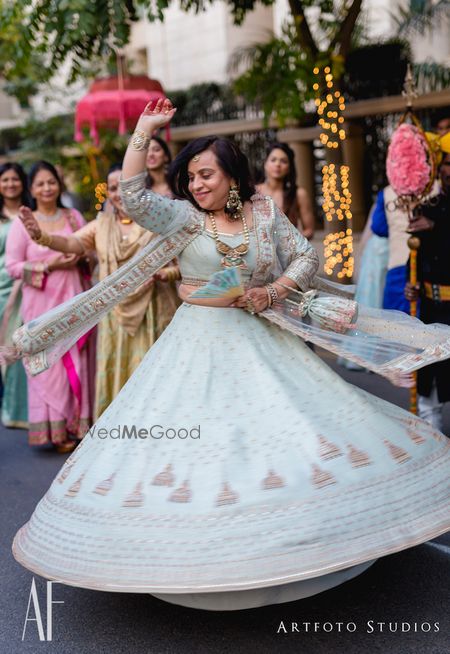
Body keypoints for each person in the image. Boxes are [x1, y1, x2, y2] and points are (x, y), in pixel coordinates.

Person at [10, 100, 450, 611]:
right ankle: (204, 553)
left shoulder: (264, 213)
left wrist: (276, 288)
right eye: (190, 177)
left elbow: (306, 255)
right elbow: (131, 195)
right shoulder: (182, 218)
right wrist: (143, 130)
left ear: (232, 177)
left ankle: (305, 538)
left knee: (293, 429)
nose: (196, 185)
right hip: (196, 342)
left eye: (206, 175)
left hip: (265, 334)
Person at [19, 163, 180, 419]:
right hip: (114, 314)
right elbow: (74, 242)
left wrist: (163, 274)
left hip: (154, 311)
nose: (119, 193)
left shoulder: (159, 221)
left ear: (142, 187)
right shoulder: (101, 224)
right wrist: (43, 237)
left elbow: (183, 266)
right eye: (114, 188)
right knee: (120, 374)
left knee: (154, 374)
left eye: (126, 186)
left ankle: (160, 429)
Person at [6, 161, 94, 451]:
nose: (47, 188)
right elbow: (14, 267)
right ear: (31, 189)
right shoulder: (23, 223)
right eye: (40, 184)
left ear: (59, 184)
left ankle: (78, 425)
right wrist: (49, 263)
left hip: (73, 299)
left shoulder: (73, 217)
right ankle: (56, 432)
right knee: (50, 369)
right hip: (41, 306)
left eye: (51, 182)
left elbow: (90, 250)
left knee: (78, 362)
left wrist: (82, 259)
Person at [405, 135, 450, 431]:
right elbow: (418, 252)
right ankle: (433, 455)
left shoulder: (435, 216)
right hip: (431, 309)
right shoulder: (429, 206)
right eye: (446, 163)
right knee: (430, 384)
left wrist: (438, 227)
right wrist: (415, 282)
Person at [0, 163, 29, 428]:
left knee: (17, 350)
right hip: (1, 292)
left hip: (25, 288)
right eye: (5, 179)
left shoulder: (29, 215)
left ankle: (18, 411)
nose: (10, 184)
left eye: (15, 179)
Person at [256, 142, 315, 239]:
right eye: (273, 160)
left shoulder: (299, 194)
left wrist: (290, 241)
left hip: (287, 252)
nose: (278, 164)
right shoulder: (254, 191)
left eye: (283, 161)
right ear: (265, 164)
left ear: (289, 168)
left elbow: (309, 230)